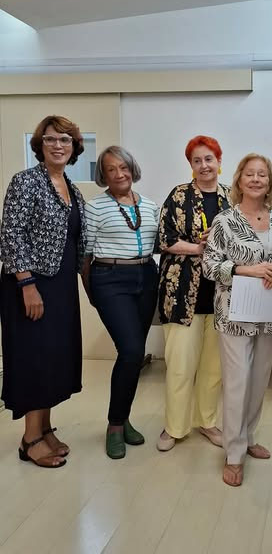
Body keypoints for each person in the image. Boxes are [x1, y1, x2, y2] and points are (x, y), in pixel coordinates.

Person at [0, 115, 87, 468]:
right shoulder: (26, 181)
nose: (58, 145)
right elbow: (11, 234)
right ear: (40, 144)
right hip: (31, 285)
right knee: (35, 358)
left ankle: (45, 428)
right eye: (50, 139)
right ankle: (30, 439)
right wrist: (26, 284)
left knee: (54, 358)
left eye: (65, 140)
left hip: (60, 284)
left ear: (74, 147)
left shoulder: (71, 187)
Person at [203, 154, 272, 487]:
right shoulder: (224, 220)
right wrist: (244, 270)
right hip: (234, 312)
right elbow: (209, 266)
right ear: (239, 180)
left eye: (262, 174)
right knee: (237, 382)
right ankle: (233, 453)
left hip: (268, 312)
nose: (255, 179)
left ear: (269, 182)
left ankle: (248, 436)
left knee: (259, 380)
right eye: (249, 174)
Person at [82, 146, 160, 459]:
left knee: (135, 354)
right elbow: (85, 255)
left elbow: (162, 243)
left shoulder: (150, 205)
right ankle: (115, 426)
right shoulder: (95, 207)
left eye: (123, 167)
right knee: (130, 350)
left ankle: (124, 417)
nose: (119, 174)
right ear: (103, 175)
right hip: (110, 279)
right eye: (111, 169)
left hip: (146, 277)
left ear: (132, 169)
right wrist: (92, 293)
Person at [156, 135, 231, 452]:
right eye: (197, 160)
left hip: (221, 295)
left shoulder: (232, 197)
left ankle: (207, 421)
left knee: (213, 368)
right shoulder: (179, 196)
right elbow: (164, 239)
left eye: (209, 159)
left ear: (219, 161)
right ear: (191, 165)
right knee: (180, 366)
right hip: (181, 293)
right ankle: (174, 427)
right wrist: (200, 247)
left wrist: (221, 244)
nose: (204, 165)